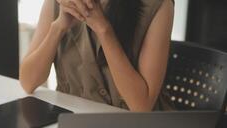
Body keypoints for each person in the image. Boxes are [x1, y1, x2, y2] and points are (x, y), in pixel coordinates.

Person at [20, 0, 174, 112]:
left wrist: (103, 29)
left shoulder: (158, 5)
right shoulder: (59, 2)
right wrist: (59, 26)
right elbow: (28, 82)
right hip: (75, 122)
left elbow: (141, 106)